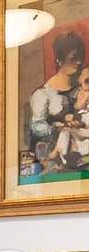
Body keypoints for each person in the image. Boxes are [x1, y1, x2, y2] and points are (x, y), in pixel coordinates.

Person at [30, 31, 86, 170]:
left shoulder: (84, 85)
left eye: (80, 57)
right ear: (59, 60)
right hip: (57, 150)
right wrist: (56, 128)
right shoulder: (42, 93)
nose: (79, 62)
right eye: (73, 58)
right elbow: (36, 126)